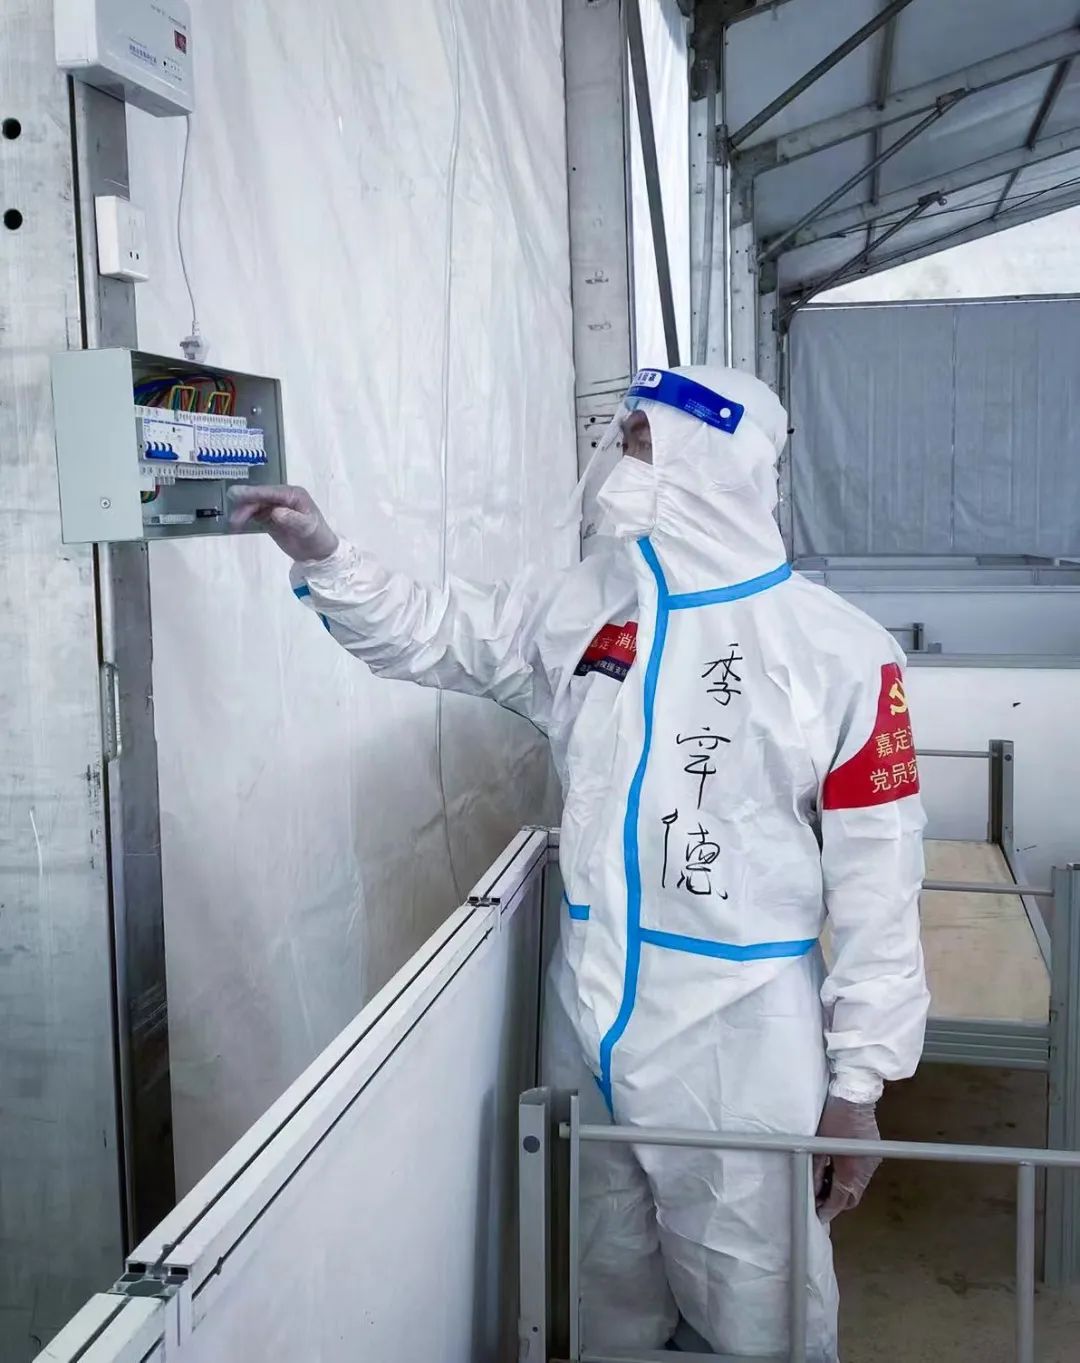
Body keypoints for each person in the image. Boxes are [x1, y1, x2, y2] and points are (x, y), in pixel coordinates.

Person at [232, 365, 928, 1360]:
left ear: (717, 460)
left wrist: (860, 1080)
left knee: (756, 1289)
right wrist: (325, 553)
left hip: (737, 1027)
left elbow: (879, 885)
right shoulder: (590, 603)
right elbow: (438, 631)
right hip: (592, 1002)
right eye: (622, 439)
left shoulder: (840, 652)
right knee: (601, 1271)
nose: (617, 462)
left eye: (643, 443)